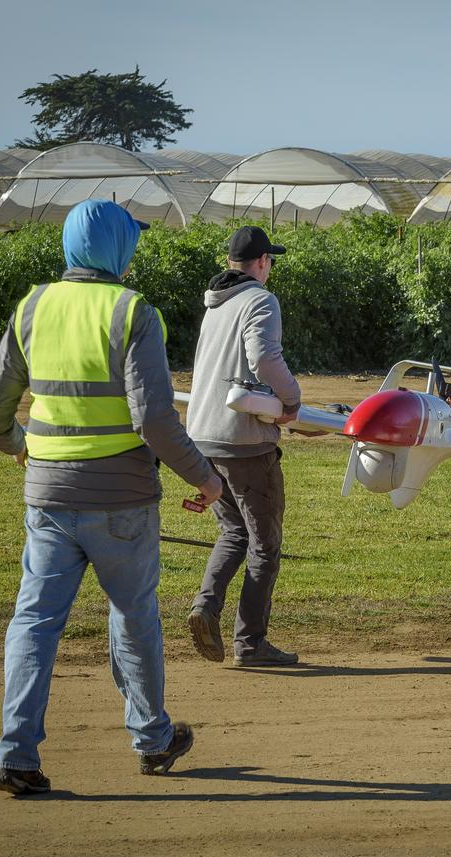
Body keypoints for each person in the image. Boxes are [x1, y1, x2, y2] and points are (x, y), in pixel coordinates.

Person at [0, 200, 223, 795]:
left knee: (34, 624)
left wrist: (18, 443)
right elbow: (156, 421)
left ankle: (17, 756)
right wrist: (205, 479)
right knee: (133, 617)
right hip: (122, 501)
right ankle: (152, 738)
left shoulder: (33, 305)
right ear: (119, 248)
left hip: (49, 500)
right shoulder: (134, 311)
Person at [185, 226, 303, 668]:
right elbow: (264, 357)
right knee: (265, 542)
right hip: (244, 440)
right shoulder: (260, 300)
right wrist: (291, 398)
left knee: (234, 531)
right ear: (262, 262)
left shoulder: (215, 304)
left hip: (203, 436)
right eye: (270, 260)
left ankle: (205, 606)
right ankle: (250, 644)